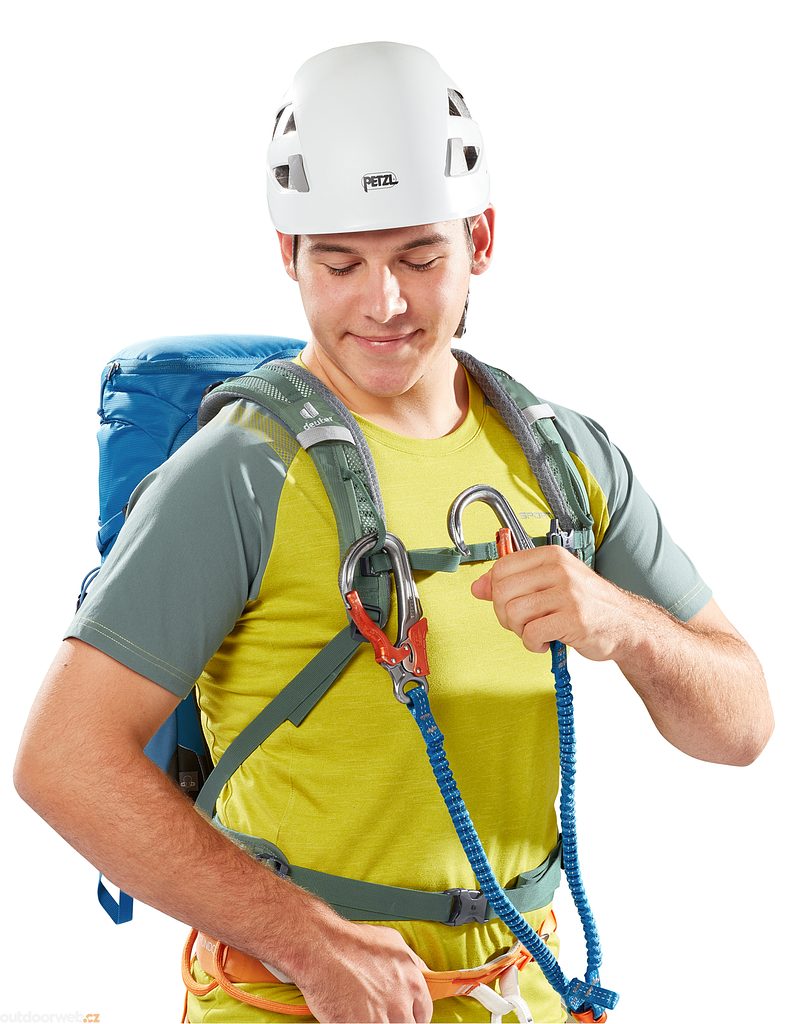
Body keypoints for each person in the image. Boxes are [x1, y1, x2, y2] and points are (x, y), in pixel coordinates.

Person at [13, 39, 773, 1024]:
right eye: (340, 262)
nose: (383, 302)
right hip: (295, 1001)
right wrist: (306, 938)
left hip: (520, 991)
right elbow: (62, 760)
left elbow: (741, 725)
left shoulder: (563, 459)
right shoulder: (239, 473)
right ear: (288, 254)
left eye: (419, 255)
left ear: (480, 238)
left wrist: (625, 623)